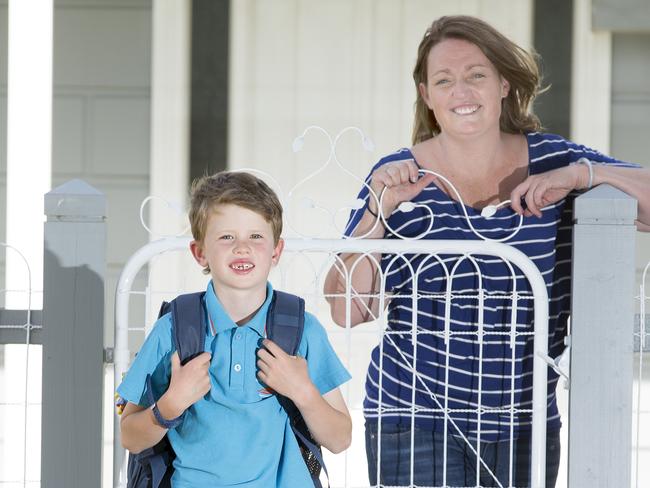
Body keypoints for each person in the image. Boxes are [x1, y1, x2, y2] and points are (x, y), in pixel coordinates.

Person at [323, 14, 650, 488]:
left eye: (476, 75)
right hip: (413, 416)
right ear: (427, 96)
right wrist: (377, 211)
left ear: (502, 84)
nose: (462, 91)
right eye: (444, 80)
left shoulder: (555, 160)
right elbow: (346, 309)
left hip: (524, 422)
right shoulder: (396, 175)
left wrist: (583, 176)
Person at [118, 171, 352, 487]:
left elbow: (340, 439)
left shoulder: (302, 331)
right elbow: (131, 437)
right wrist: (171, 403)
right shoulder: (174, 328)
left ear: (276, 251)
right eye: (226, 237)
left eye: (256, 236)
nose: (242, 248)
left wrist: (302, 391)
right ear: (199, 252)